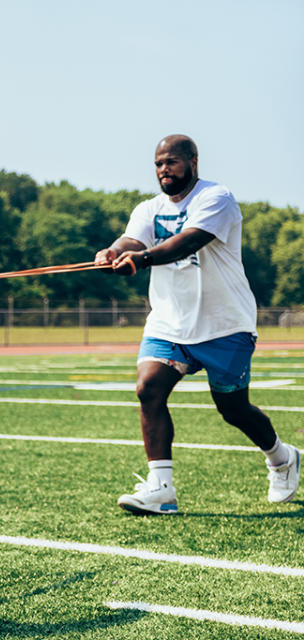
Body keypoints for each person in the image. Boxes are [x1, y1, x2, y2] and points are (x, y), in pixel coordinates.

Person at [94, 134, 300, 514]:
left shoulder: (216, 199)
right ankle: (162, 489)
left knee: (233, 410)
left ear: (193, 161)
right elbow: (129, 239)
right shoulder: (148, 208)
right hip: (170, 323)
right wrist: (113, 252)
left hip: (225, 325)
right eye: (158, 164)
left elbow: (187, 242)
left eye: (171, 161)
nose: (164, 170)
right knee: (148, 389)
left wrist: (141, 259)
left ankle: (282, 457)